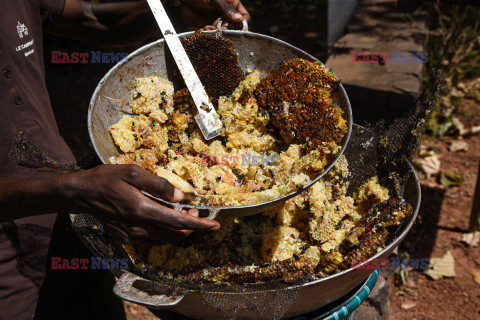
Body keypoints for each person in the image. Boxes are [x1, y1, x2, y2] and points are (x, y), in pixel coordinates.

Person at [0, 0, 249, 319]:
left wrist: (175, 6)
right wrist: (72, 192)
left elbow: (92, 19)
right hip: (11, 284)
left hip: (75, 230)